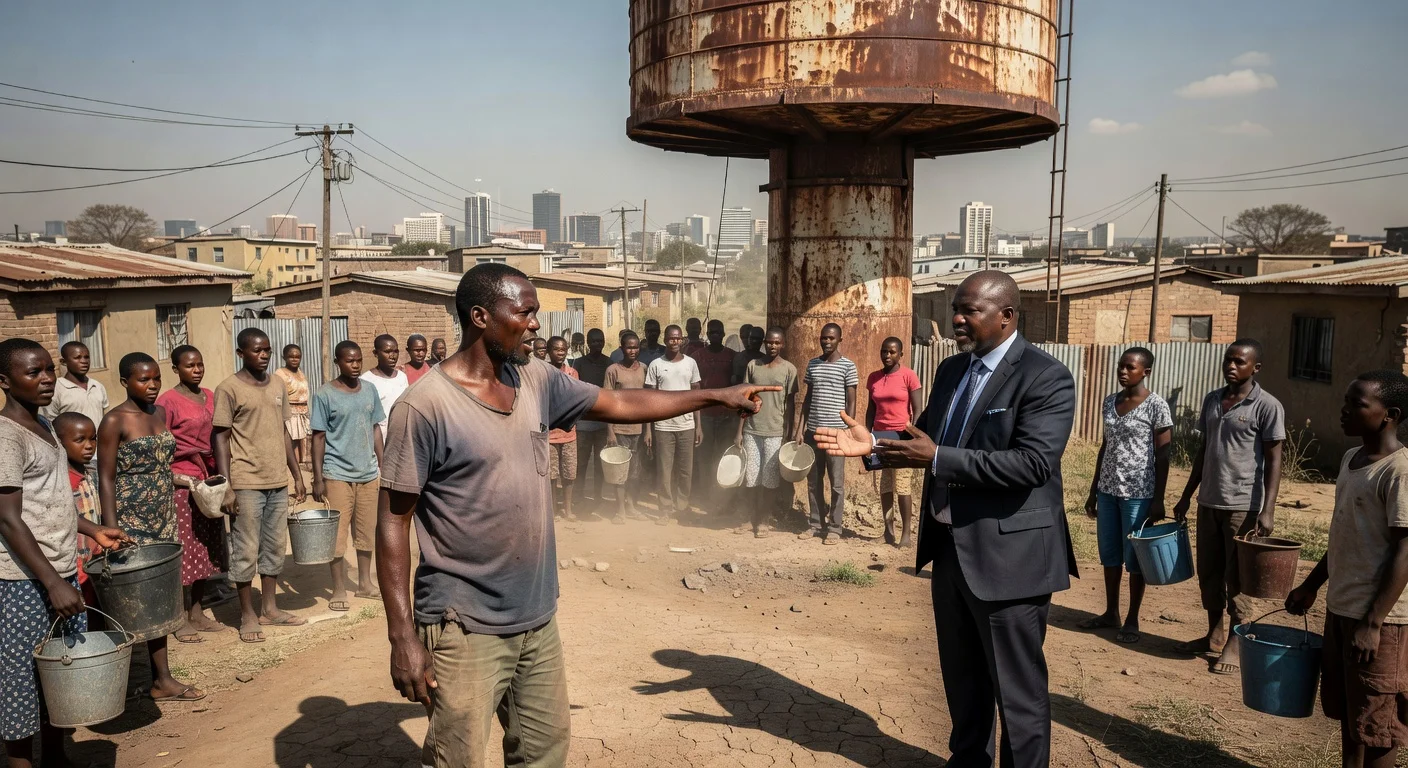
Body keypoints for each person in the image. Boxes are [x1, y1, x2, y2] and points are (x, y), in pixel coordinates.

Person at [376, 264, 772, 768]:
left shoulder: (535, 378)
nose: (536, 324)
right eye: (525, 313)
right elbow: (393, 521)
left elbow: (620, 402)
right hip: (463, 623)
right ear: (480, 317)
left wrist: (714, 396)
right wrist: (402, 636)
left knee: (544, 751)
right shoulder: (424, 407)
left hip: (535, 616)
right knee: (460, 759)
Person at [814, 271, 1078, 768]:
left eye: (969, 310)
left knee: (1017, 695)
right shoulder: (954, 370)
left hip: (1010, 559)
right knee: (963, 681)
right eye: (956, 308)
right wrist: (874, 445)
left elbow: (1032, 464)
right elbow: (925, 438)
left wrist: (938, 458)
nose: (956, 319)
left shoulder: (1045, 376)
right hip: (952, 550)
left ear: (1006, 316)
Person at [0, 339, 128, 768]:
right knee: (21, 685)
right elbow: (8, 519)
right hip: (22, 581)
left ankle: (57, 758)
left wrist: (94, 530)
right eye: (32, 372)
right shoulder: (6, 435)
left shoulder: (45, 426)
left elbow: (53, 501)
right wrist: (53, 582)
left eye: (48, 370)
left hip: (58, 571)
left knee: (61, 674)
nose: (46, 379)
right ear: (4, 381)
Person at [1287, 370, 1408, 768]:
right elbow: (1345, 536)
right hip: (1342, 609)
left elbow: (1405, 550)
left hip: (1382, 621)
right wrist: (1311, 585)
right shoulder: (1350, 459)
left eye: (1356, 404)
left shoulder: (1399, 471)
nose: (1344, 411)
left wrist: (1373, 622)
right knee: (1351, 716)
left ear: (1390, 415)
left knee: (1378, 727)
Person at [1172, 339, 1285, 675]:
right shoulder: (1212, 400)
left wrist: (1267, 509)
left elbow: (1274, 461)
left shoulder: (1267, 406)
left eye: (1239, 362)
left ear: (1256, 368)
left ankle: (1236, 642)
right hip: (1209, 501)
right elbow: (1204, 450)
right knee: (1209, 572)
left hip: (1242, 506)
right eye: (1228, 360)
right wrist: (1187, 495)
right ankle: (1214, 634)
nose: (1231, 366)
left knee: (1237, 576)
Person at [98, 352, 205, 703]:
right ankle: (115, 684)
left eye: (156, 378)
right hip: (130, 521)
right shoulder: (114, 420)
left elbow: (164, 466)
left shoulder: (159, 413)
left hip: (162, 515)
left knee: (158, 594)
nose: (152, 385)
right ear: (124, 382)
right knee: (130, 598)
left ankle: (162, 679)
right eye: (143, 379)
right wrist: (111, 528)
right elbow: (105, 478)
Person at [214, 328, 308, 644]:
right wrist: (226, 486)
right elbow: (220, 438)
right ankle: (248, 614)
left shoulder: (278, 384)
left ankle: (269, 608)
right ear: (241, 353)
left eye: (267, 349)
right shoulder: (228, 389)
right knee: (245, 548)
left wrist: (296, 475)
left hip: (277, 480)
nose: (264, 355)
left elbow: (284, 431)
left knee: (274, 546)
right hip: (246, 482)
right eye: (257, 350)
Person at [1080, 347, 1172, 645]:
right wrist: (1093, 490)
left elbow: (1163, 455)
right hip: (1108, 491)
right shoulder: (1110, 402)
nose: (1123, 371)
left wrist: (1158, 499)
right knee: (1109, 555)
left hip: (1138, 493)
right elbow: (1105, 447)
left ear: (1146, 372)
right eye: (1121, 366)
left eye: (1130, 367)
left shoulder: (1157, 406)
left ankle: (1132, 619)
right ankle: (1111, 613)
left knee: (1134, 559)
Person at [156, 345, 228, 643]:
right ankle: (180, 616)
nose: (196, 370)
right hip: (182, 483)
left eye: (200, 364)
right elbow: (161, 446)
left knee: (206, 547)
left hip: (208, 482)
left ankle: (197, 611)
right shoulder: (167, 402)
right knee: (186, 549)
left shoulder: (210, 395)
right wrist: (181, 478)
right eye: (189, 365)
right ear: (176, 369)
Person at [311, 341, 384, 611]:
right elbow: (318, 437)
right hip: (337, 473)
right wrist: (318, 478)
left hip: (368, 473)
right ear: (337, 362)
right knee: (337, 536)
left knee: (366, 532)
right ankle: (339, 588)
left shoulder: (370, 390)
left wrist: (383, 464)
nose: (355, 365)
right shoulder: (325, 394)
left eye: (358, 360)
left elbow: (375, 428)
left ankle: (364, 583)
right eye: (349, 361)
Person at [794, 323, 857, 544]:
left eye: (831, 338)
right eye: (824, 338)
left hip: (836, 434)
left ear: (840, 340)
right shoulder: (813, 364)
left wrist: (848, 431)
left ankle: (835, 528)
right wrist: (800, 429)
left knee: (837, 483)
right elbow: (808, 399)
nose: (827, 342)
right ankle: (815, 524)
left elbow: (851, 402)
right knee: (813, 481)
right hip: (813, 433)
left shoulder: (848, 366)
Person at [736, 327, 797, 538]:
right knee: (751, 477)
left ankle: (764, 520)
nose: (773, 345)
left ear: (783, 344)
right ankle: (750, 518)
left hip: (775, 432)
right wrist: (739, 431)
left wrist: (789, 433)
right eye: (769, 342)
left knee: (770, 479)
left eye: (777, 342)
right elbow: (744, 399)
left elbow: (790, 404)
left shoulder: (789, 369)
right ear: (764, 343)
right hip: (752, 430)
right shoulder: (753, 365)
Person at [866, 337, 924, 548]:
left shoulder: (909, 376)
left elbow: (917, 410)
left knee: (902, 484)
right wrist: (867, 436)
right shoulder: (874, 377)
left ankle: (906, 534)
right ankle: (888, 531)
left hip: (902, 436)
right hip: (880, 436)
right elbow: (871, 410)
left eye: (891, 352)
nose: (887, 355)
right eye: (884, 351)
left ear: (901, 354)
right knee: (886, 485)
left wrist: (913, 436)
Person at [647, 325, 702, 525]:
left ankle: (682, 507)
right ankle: (665, 508)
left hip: (686, 426)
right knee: (664, 470)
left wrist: (699, 426)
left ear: (682, 340)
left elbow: (697, 397)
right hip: (663, 426)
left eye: (678, 338)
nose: (674, 341)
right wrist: (648, 430)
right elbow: (649, 400)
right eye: (671, 338)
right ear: (665, 340)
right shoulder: (656, 365)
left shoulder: (691, 364)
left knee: (685, 470)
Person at [53, 412, 101, 609]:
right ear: (59, 442)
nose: (89, 445)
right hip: (74, 560)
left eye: (93, 438)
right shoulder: (61, 480)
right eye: (80, 440)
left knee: (94, 604)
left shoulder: (90, 472)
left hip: (94, 555)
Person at [690, 319, 738, 511]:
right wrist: (697, 422)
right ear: (707, 335)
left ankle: (722, 499)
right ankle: (705, 497)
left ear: (724, 334)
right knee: (704, 458)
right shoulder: (697, 357)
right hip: (705, 416)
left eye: (718, 332)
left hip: (726, 416)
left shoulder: (732, 356)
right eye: (712, 332)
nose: (715, 335)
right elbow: (693, 388)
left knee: (723, 458)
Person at [605, 332, 648, 524]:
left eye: (636, 347)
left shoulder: (644, 369)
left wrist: (648, 431)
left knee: (635, 472)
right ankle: (620, 510)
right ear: (621, 348)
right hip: (620, 429)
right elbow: (607, 402)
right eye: (629, 347)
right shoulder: (613, 370)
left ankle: (631, 506)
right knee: (620, 472)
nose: (633, 351)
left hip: (638, 429)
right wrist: (610, 431)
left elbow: (648, 402)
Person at [571, 329, 614, 509]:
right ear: (588, 343)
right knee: (581, 463)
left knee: (600, 463)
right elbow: (574, 390)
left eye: (600, 341)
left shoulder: (609, 363)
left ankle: (598, 497)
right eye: (594, 341)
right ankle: (577, 497)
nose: (598, 344)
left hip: (602, 423)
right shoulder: (579, 363)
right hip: (583, 422)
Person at [38, 341, 109, 447]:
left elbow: (104, 418)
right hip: (70, 450)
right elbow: (48, 424)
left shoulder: (97, 386)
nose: (84, 361)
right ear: (64, 362)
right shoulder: (56, 389)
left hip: (97, 447)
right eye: (77, 358)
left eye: (86, 357)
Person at [546, 336, 580, 522]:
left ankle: (568, 509)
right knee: (551, 475)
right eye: (556, 349)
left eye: (563, 350)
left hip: (569, 433)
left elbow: (575, 399)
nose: (560, 353)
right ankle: (552, 509)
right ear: (549, 351)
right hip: (550, 434)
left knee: (569, 473)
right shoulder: (544, 373)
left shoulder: (572, 373)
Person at [362, 334, 410, 446]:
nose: (392, 356)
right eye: (387, 352)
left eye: (396, 351)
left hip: (401, 440)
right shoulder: (366, 380)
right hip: (378, 443)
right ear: (376, 353)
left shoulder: (402, 377)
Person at [273, 344, 311, 468]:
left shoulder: (300, 373)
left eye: (297, 357)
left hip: (303, 412)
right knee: (290, 441)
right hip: (289, 413)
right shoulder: (280, 373)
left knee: (303, 441)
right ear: (284, 357)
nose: (295, 359)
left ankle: (302, 466)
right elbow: (277, 396)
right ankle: (290, 467)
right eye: (291, 357)